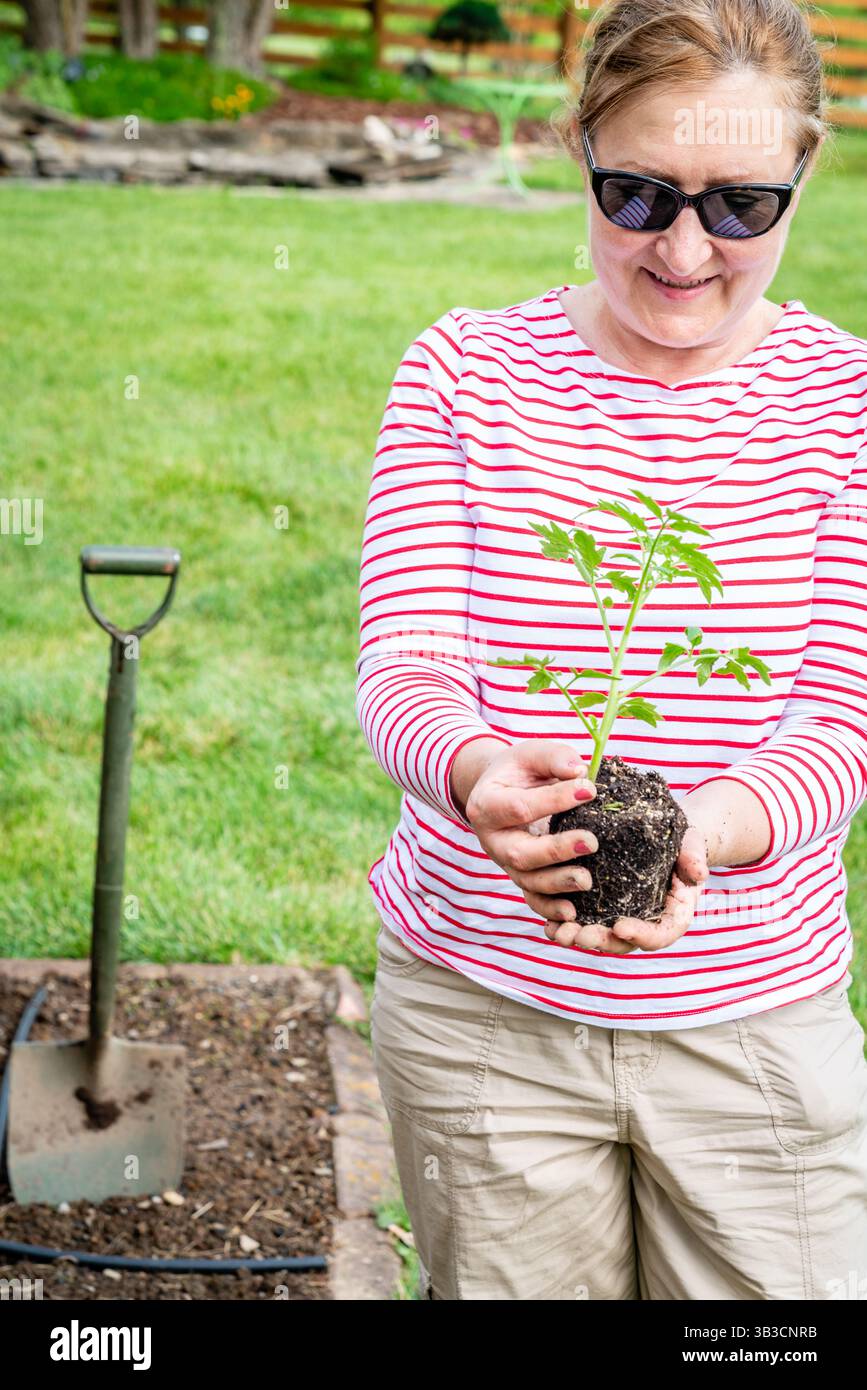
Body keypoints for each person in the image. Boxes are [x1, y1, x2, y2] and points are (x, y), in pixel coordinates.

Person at [355, 0, 867, 1300]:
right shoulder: (463, 375)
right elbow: (405, 666)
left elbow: (841, 722)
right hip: (486, 1016)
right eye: (637, 193)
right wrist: (476, 770)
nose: (685, 247)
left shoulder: (844, 407)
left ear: (806, 173)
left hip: (751, 1024)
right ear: (579, 147)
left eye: (742, 205)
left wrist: (708, 827)